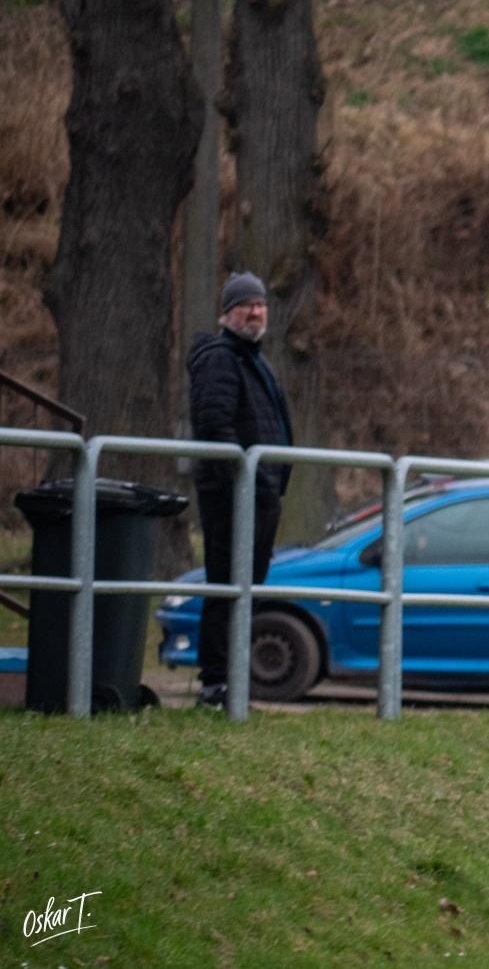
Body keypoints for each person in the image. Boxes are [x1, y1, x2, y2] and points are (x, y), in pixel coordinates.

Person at [187, 271, 294, 710]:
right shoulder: (220, 359)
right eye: (246, 305)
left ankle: (231, 682)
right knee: (227, 587)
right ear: (227, 313)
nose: (255, 311)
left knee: (245, 587)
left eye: (260, 303)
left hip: (260, 496)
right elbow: (215, 426)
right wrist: (249, 481)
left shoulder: (254, 360)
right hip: (233, 497)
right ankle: (216, 685)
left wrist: (269, 484)